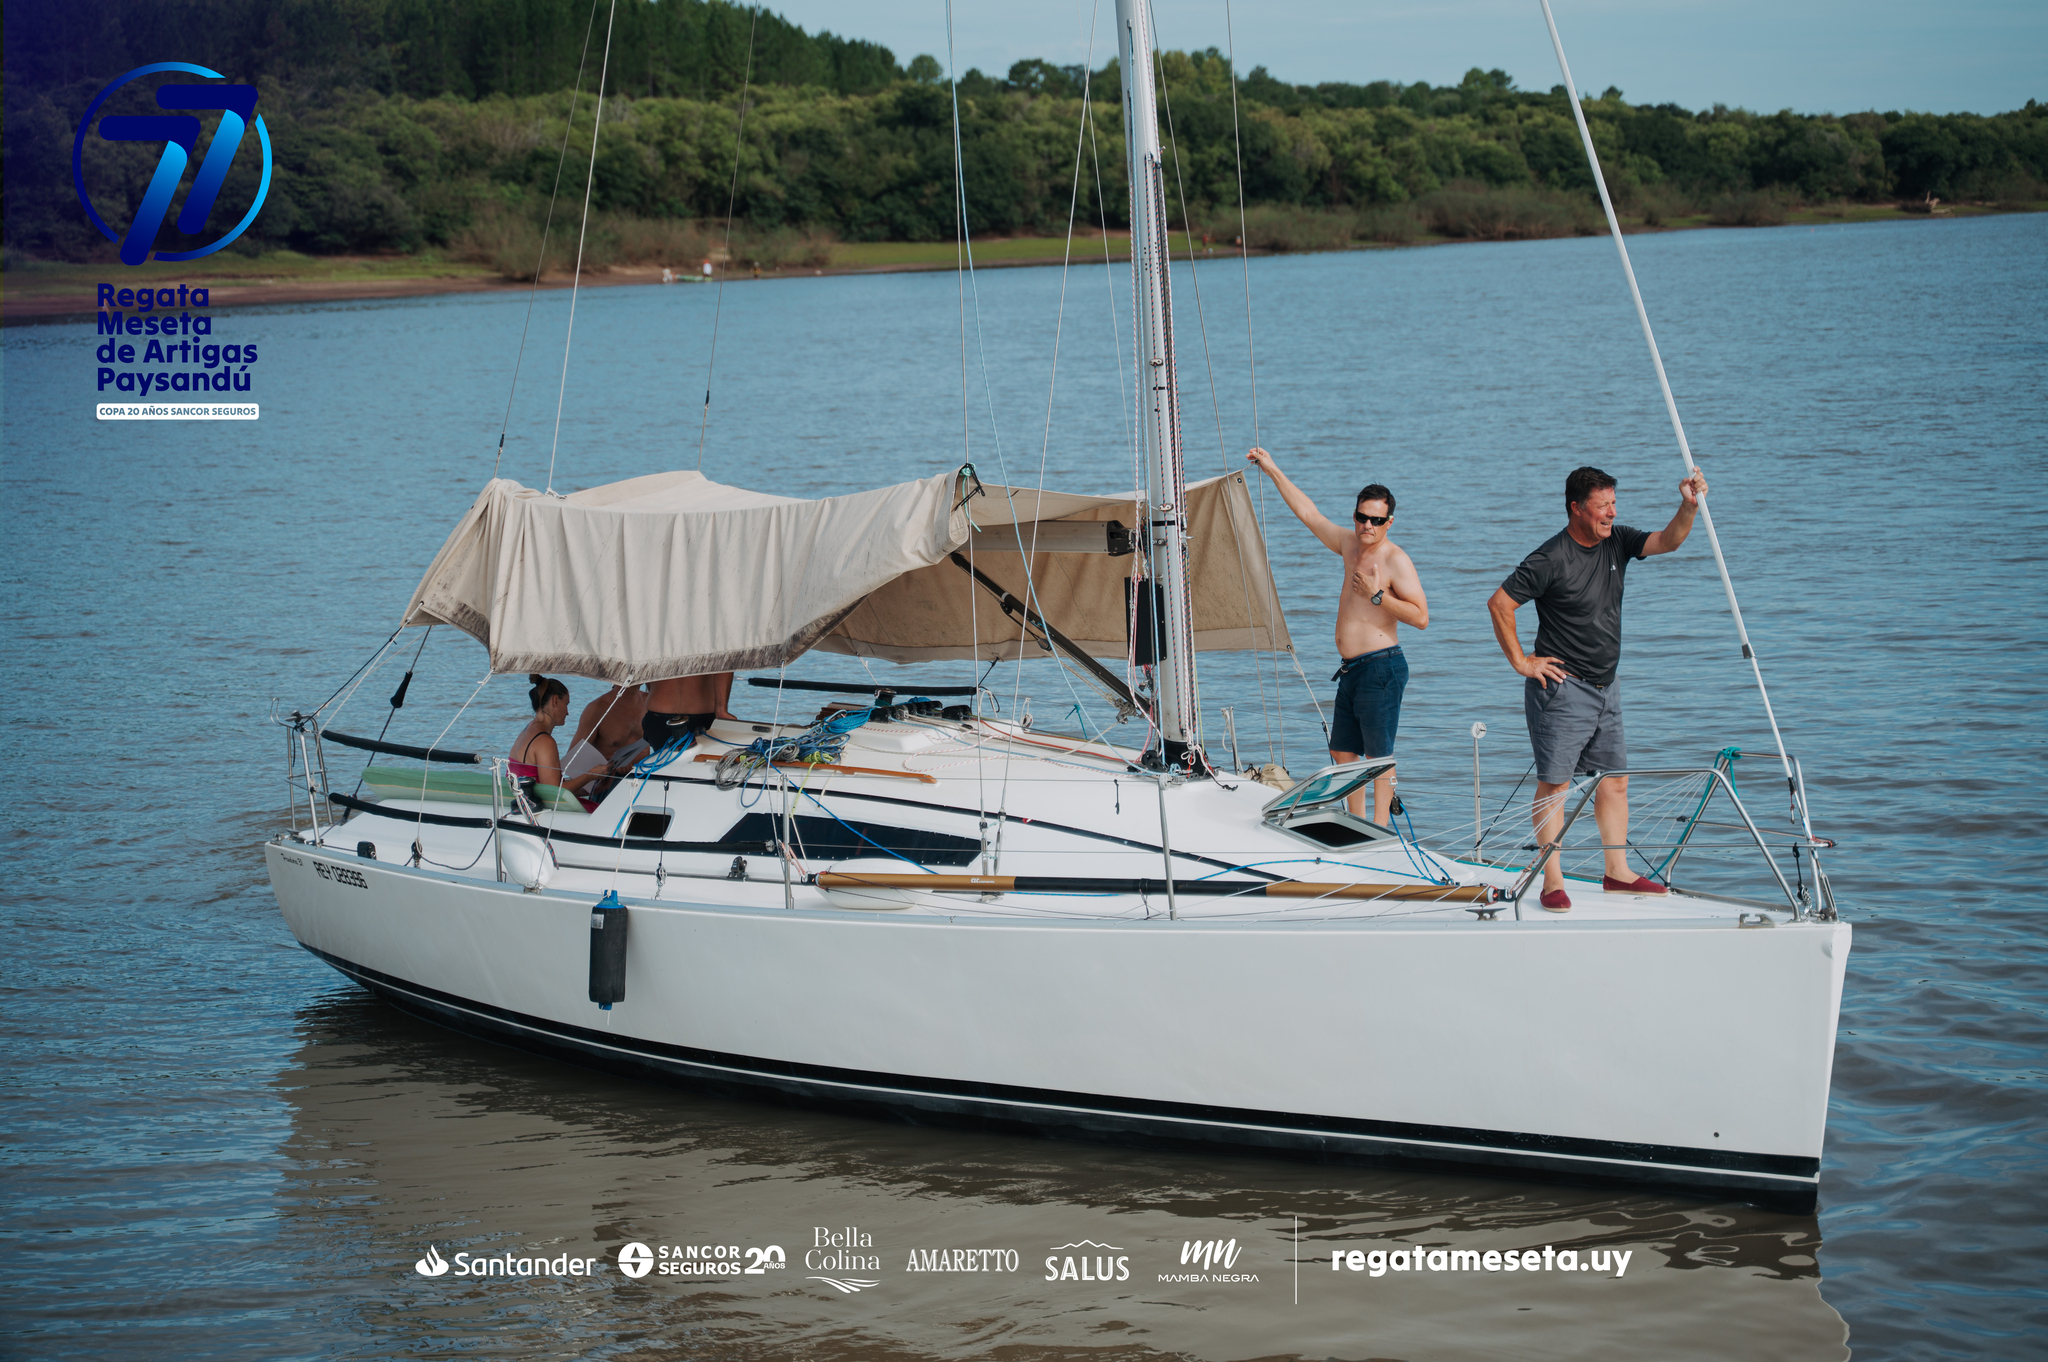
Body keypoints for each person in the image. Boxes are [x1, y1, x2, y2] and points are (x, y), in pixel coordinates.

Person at [1487, 464, 1709, 911]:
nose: (1612, 512)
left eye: (1614, 503)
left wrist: (1688, 506)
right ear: (1576, 508)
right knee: (1555, 786)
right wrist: (1522, 662)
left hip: (1608, 687)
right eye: (1602, 505)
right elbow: (1500, 603)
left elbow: (1668, 541)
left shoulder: (1618, 541)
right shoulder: (1550, 557)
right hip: (1562, 689)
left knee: (1615, 783)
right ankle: (1552, 879)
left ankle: (1617, 872)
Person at [1246, 447, 1428, 824]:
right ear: (1355, 515)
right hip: (1351, 669)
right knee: (1343, 752)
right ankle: (1357, 824)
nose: (1367, 526)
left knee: (1378, 757)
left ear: (1389, 522)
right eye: (1362, 517)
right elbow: (1309, 514)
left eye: (1376, 520)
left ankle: (1381, 829)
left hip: (1382, 667)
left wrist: (1378, 596)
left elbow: (1421, 617)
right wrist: (1271, 468)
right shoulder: (1349, 545)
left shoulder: (1395, 559)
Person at [511, 675, 606, 810]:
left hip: (529, 802)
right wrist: (590, 775)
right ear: (555, 701)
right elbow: (554, 792)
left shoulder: (526, 731)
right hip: (541, 808)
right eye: (566, 704)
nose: (567, 712)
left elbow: (548, 786)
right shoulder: (544, 741)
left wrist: (594, 789)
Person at [562, 683, 651, 790]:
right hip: (608, 784)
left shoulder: (650, 703)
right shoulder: (596, 709)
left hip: (646, 779)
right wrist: (614, 765)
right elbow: (573, 760)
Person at [642, 673, 737, 753]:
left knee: (664, 765)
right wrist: (721, 710)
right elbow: (723, 665)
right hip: (702, 714)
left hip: (658, 711)